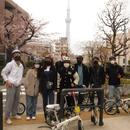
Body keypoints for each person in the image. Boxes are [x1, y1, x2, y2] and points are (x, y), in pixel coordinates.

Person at [1, 49, 24, 125]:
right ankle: (7, 117)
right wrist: (7, 81)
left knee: (16, 100)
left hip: (18, 85)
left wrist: (20, 82)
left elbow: (20, 75)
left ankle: (14, 114)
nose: (17, 55)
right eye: (15, 54)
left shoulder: (21, 65)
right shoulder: (10, 64)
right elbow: (3, 72)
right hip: (11, 84)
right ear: (13, 56)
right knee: (9, 101)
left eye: (18, 54)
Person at [39, 56, 57, 121]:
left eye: (49, 59)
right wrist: (40, 89)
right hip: (44, 88)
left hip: (51, 88)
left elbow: (55, 79)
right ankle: (46, 117)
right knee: (45, 103)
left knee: (52, 103)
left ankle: (51, 116)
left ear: (51, 61)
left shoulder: (54, 68)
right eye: (47, 59)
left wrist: (55, 88)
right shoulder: (42, 68)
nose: (48, 61)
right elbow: (40, 79)